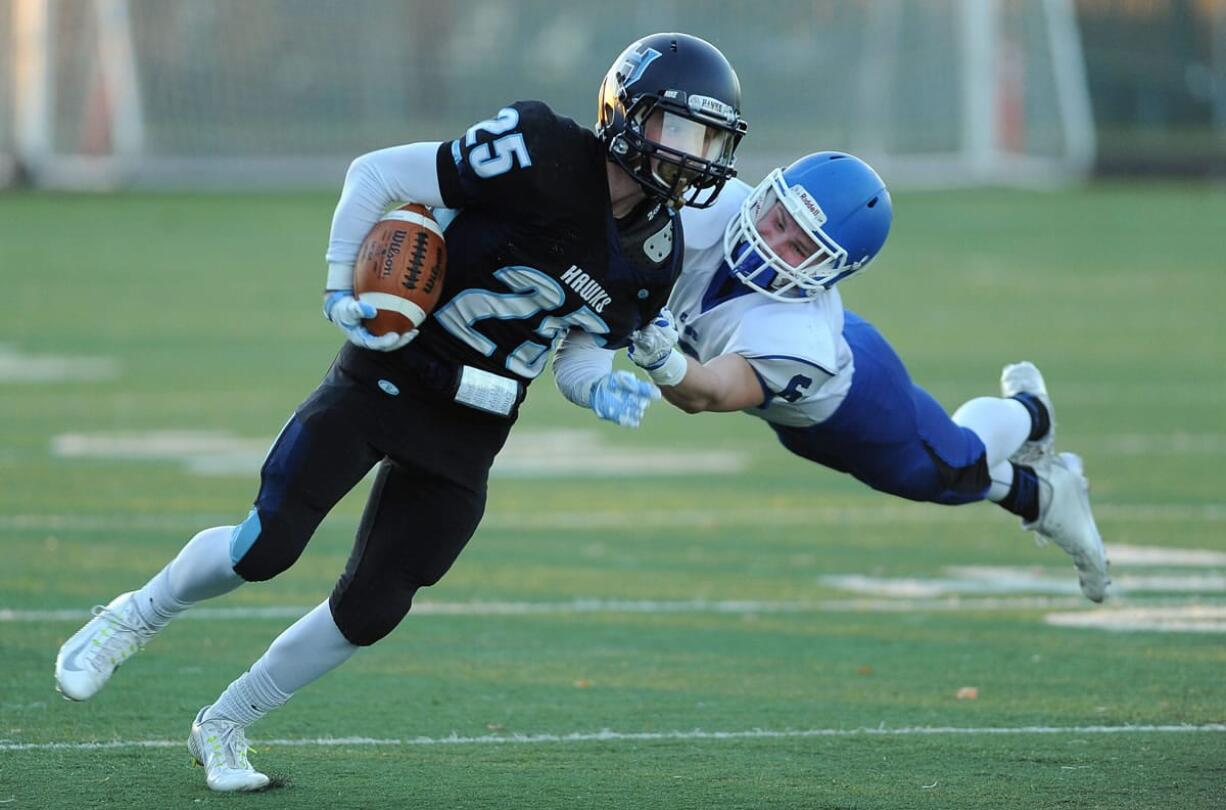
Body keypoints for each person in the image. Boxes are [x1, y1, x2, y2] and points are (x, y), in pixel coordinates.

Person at [54, 32, 748, 792]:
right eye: (681, 130)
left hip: (475, 425)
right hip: (391, 372)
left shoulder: (657, 252)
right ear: (627, 113)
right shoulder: (540, 150)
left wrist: (594, 384)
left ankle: (224, 725)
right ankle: (132, 617)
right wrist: (336, 284)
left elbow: (578, 349)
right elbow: (377, 172)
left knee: (375, 606)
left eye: (710, 139)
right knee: (267, 545)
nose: (695, 154)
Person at [553, 151, 1110, 602]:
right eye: (778, 220)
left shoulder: (798, 339)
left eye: (800, 245)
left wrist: (660, 357)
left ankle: (1031, 413)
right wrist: (594, 365)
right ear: (766, 193)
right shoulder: (708, 205)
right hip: (795, 401)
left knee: (952, 470)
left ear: (830, 270)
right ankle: (1043, 493)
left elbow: (710, 393)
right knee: (953, 470)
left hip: (853, 401)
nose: (772, 242)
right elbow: (605, 283)